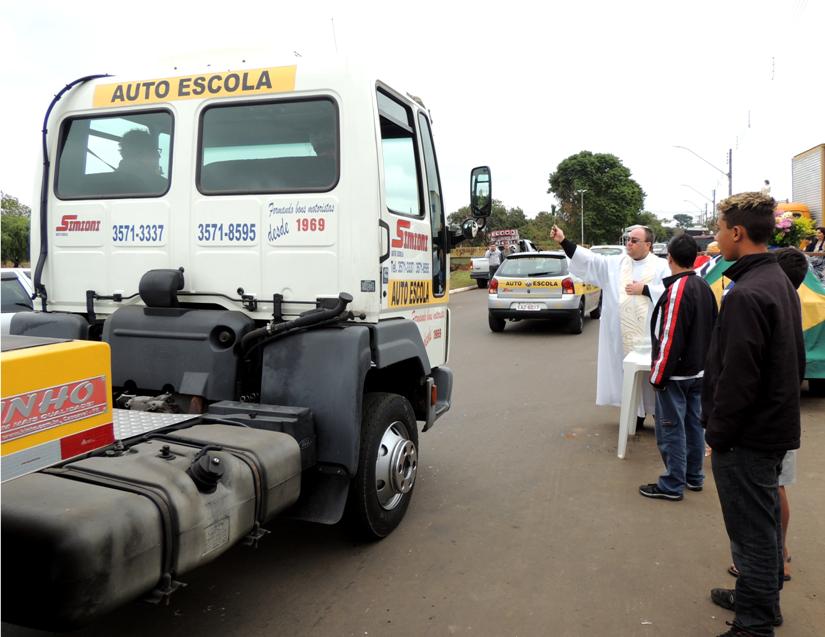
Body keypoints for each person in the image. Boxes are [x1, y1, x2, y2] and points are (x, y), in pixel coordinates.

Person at [703, 193, 805, 637]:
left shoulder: (748, 292)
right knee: (760, 524)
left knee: (752, 532)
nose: (716, 237)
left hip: (749, 435)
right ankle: (755, 597)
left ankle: (755, 623)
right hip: (770, 427)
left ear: (738, 233)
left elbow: (739, 379)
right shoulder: (776, 280)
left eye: (719, 229)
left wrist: (718, 434)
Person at [726, 247, 808, 583]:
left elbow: (741, 376)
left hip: (763, 425)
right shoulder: (788, 301)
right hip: (782, 417)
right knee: (776, 488)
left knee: (767, 496)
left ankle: (765, 575)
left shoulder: (757, 297)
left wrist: (720, 432)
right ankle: (777, 557)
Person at [550, 224, 671, 427]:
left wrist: (646, 289)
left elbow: (670, 292)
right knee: (627, 374)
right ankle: (635, 414)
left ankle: (656, 413)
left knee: (650, 375)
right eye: (627, 240)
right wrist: (563, 241)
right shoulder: (616, 263)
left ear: (648, 245)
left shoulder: (661, 266)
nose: (628, 244)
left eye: (634, 240)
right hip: (620, 335)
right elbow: (588, 260)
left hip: (649, 336)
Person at [639, 234, 717, 500]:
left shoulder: (678, 289)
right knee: (694, 426)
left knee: (671, 428)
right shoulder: (703, 286)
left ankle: (672, 483)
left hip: (677, 374)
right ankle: (694, 477)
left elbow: (670, 337)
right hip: (698, 371)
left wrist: (658, 375)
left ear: (669, 257)